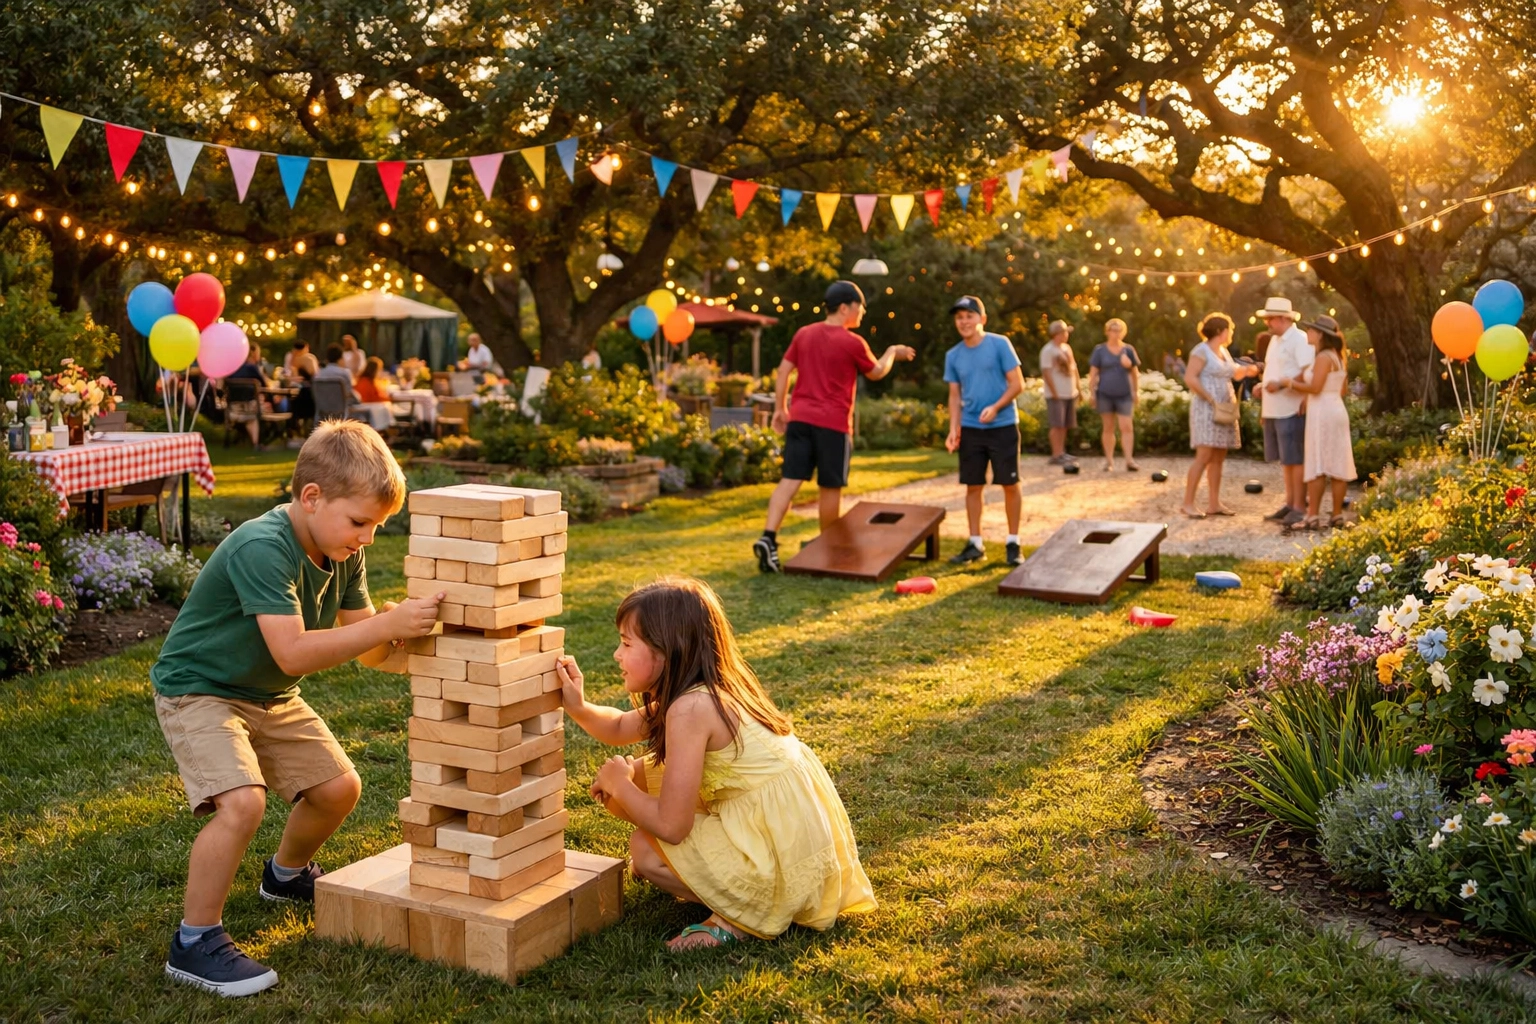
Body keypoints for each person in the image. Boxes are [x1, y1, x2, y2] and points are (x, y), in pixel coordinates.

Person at [150, 421, 443, 995]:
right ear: (312, 498)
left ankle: (283, 877)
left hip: (267, 695)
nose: (368, 538)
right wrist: (387, 625)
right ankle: (194, 942)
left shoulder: (341, 551)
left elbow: (369, 648)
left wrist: (413, 643)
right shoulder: (264, 546)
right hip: (200, 689)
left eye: (377, 526)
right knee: (240, 804)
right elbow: (291, 653)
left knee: (338, 789)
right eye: (360, 522)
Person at [556, 576, 876, 950]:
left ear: (667, 651)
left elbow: (672, 827)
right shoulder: (706, 688)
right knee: (641, 781)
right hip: (779, 832)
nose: (617, 655)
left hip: (775, 860)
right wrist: (577, 706)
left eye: (627, 644)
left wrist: (619, 784)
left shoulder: (691, 709)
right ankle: (718, 879)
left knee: (644, 848)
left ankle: (736, 918)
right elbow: (620, 726)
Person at [752, 281, 915, 573]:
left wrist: (780, 408)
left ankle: (769, 538)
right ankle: (827, 547)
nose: (862, 313)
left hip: (800, 419)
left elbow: (784, 370)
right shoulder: (852, 342)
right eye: (860, 307)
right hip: (833, 426)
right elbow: (877, 372)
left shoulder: (804, 334)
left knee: (789, 480)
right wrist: (892, 351)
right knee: (830, 488)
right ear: (845, 308)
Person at [944, 296, 1026, 567]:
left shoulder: (999, 344)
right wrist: (953, 428)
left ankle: (1013, 542)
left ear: (982, 319)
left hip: (1002, 426)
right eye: (959, 317)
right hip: (971, 428)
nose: (964, 321)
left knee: (1010, 484)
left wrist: (996, 406)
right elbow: (954, 396)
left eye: (969, 315)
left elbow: (1017, 384)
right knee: (973, 486)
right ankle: (975, 543)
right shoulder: (953, 355)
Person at [1181, 313, 1262, 518]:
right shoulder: (1201, 351)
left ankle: (1214, 503)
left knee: (1218, 456)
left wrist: (1251, 369)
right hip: (1207, 406)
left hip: (1224, 406)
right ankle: (1188, 503)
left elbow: (1234, 373)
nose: (1231, 333)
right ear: (1220, 331)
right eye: (1230, 329)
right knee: (1204, 455)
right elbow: (1190, 378)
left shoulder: (1223, 352)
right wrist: (1209, 398)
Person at [1286, 314, 1357, 530]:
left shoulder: (1323, 358)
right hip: (1335, 407)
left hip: (1322, 413)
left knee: (1318, 463)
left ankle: (1312, 516)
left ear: (1319, 335)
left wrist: (1290, 384)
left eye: (1310, 330)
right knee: (1337, 462)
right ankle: (1336, 515)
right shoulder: (1337, 357)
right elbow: (1341, 389)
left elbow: (1316, 387)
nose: (1307, 333)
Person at [1256, 297, 1314, 526]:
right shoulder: (1275, 341)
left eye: (1270, 318)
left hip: (1291, 407)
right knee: (1285, 460)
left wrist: (1281, 384)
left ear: (1283, 318)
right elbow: (1274, 370)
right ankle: (1289, 503)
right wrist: (1265, 385)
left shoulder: (1299, 340)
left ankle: (1300, 506)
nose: (1267, 323)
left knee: (1296, 459)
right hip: (1274, 408)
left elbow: (1307, 372)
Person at [1087, 318, 1141, 471]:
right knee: (1108, 427)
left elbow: (1134, 374)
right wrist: (1092, 393)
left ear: (1122, 332)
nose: (1116, 333)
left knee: (1126, 426)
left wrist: (1135, 392)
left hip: (1124, 394)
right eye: (1113, 330)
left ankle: (1129, 460)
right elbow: (1093, 374)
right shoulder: (1099, 350)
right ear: (1107, 331)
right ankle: (1109, 461)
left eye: (1118, 330)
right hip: (1105, 393)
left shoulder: (1128, 350)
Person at [1039, 319, 1079, 467]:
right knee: (1056, 424)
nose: (1066, 335)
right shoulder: (1048, 350)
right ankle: (1055, 454)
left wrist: (1078, 389)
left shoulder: (1067, 348)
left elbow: (1074, 369)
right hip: (1056, 394)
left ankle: (1061, 452)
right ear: (1057, 333)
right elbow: (1046, 372)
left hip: (1069, 392)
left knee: (1065, 425)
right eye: (1064, 332)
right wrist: (1054, 392)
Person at [225, 343, 275, 450]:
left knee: (253, 414)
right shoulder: (252, 368)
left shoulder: (232, 368)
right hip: (251, 408)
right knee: (266, 409)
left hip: (233, 409)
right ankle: (258, 443)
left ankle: (251, 442)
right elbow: (264, 385)